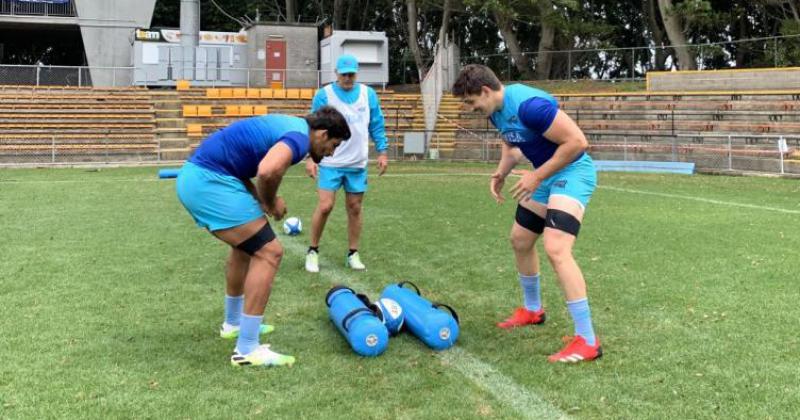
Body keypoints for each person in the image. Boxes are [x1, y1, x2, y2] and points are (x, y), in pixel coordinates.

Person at [175, 108, 350, 367]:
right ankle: (247, 348)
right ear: (323, 134)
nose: (332, 153)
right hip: (208, 181)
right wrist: (271, 201)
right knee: (269, 252)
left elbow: (240, 166)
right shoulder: (299, 138)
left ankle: (233, 324)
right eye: (333, 145)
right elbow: (268, 171)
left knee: (245, 248)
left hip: (203, 177)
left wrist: (260, 201)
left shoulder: (290, 126)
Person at [452, 64, 602, 363]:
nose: (470, 109)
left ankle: (587, 340)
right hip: (547, 175)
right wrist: (500, 174)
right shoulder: (495, 111)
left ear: (485, 91)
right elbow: (511, 146)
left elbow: (577, 143)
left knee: (557, 249)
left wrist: (536, 177)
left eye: (471, 102)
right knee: (520, 239)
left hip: (573, 172)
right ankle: (533, 310)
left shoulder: (530, 107)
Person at [304, 54, 389, 273]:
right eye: (344, 74)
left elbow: (377, 124)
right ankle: (312, 251)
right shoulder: (324, 95)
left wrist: (382, 151)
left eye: (352, 74)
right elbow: (312, 129)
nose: (348, 78)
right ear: (337, 74)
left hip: (357, 164)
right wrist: (310, 158)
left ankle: (353, 253)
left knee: (355, 208)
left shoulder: (368, 94)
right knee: (325, 206)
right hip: (330, 162)